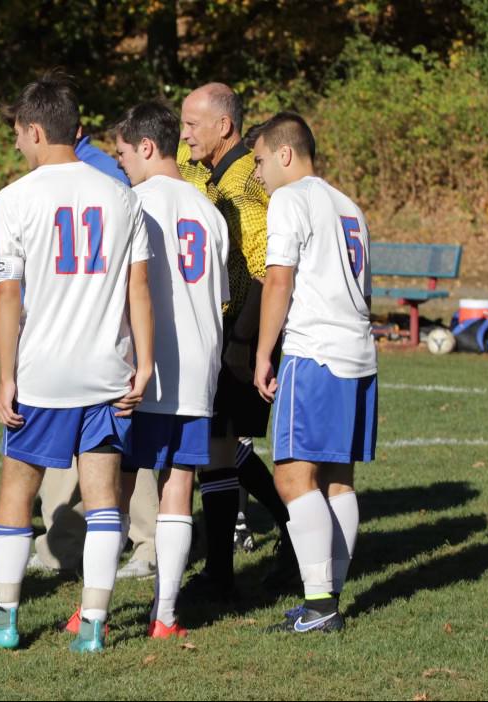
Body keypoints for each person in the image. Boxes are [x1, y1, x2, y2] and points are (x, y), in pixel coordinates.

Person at [0, 73, 154, 654]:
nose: (17, 146)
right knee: (105, 497)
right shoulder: (121, 194)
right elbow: (139, 287)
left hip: (43, 373)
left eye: (18, 136)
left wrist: (6, 377)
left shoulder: (15, 198)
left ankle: (5, 617)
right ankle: (94, 624)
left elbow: (6, 295)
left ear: (32, 129)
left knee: (16, 491)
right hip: (107, 371)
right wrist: (143, 364)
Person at [252, 112, 377, 632]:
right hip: (358, 355)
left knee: (292, 478)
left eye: (259, 161)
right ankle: (327, 599)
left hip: (315, 353)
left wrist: (264, 353)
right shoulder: (348, 205)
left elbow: (279, 279)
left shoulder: (290, 198)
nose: (257, 173)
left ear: (285, 153)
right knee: (337, 483)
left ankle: (321, 606)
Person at [112, 100, 229, 638]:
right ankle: (166, 616)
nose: (121, 166)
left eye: (122, 155)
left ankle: (93, 609)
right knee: (178, 484)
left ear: (146, 146)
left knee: (112, 484)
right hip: (196, 368)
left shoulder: (131, 203)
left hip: (139, 367)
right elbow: (218, 296)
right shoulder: (208, 209)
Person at [177, 83, 297, 600]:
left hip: (240, 325)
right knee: (221, 446)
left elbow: (263, 266)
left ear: (223, 127)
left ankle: (273, 542)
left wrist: (243, 342)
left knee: (223, 444)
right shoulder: (199, 164)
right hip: (217, 322)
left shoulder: (248, 179)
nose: (185, 135)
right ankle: (231, 563)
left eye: (193, 125)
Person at [30, 124, 160, 581]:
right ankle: (65, 546)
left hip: (82, 341)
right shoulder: (105, 176)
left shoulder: (95, 179)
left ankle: (138, 541)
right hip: (99, 344)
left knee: (107, 463)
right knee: (96, 461)